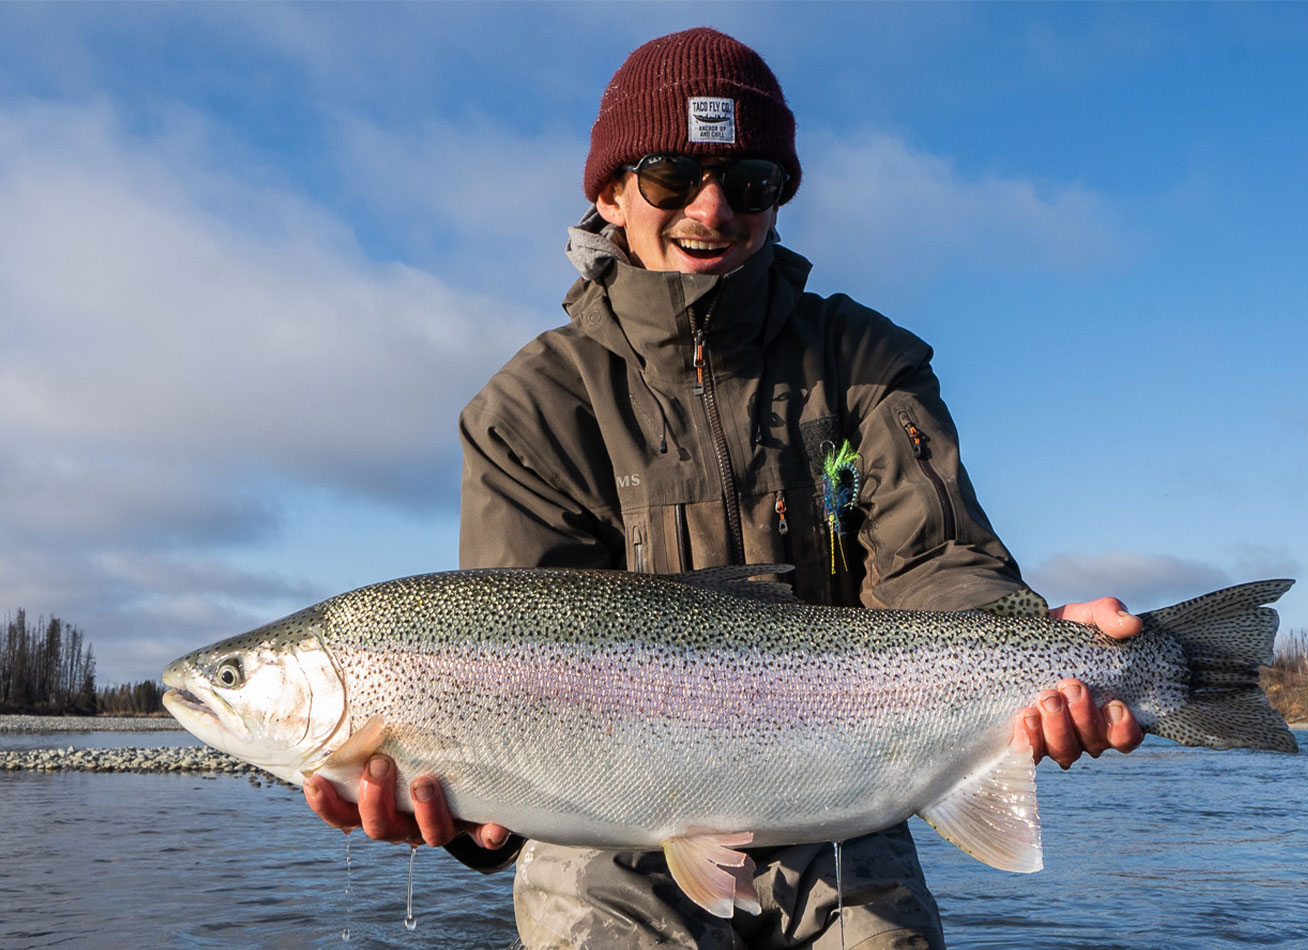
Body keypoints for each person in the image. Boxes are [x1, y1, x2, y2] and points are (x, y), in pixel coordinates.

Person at [305, 27, 1143, 949]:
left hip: (842, 797)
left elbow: (937, 562)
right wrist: (475, 817)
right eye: (671, 176)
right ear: (610, 194)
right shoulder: (531, 407)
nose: (712, 208)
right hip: (607, 832)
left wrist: (1033, 646)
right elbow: (521, 639)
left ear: (778, 202)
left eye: (749, 182)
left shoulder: (863, 360)